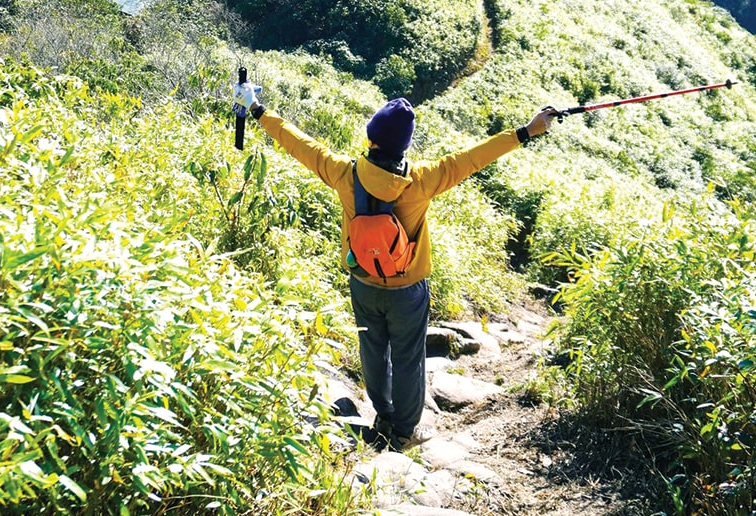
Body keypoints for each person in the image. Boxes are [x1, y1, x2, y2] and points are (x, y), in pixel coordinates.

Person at [232, 84, 558, 450]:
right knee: (408, 357)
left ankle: (383, 413)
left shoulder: (343, 174)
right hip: (408, 289)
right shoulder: (423, 180)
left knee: (372, 349)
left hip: (363, 283)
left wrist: (257, 108)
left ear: (371, 140)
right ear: (404, 146)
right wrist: (527, 131)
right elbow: (472, 158)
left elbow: (298, 143)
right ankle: (404, 432)